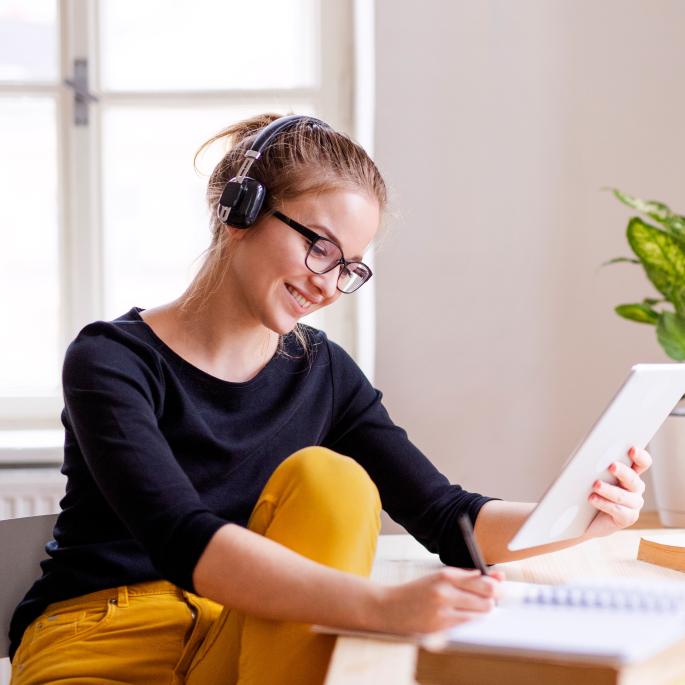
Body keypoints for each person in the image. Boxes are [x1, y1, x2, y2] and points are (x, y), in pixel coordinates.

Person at [8, 114, 651, 685]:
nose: (329, 284)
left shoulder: (323, 372)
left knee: (332, 480)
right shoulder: (111, 360)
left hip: (244, 632)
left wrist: (578, 514)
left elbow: (448, 517)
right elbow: (180, 537)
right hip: (102, 634)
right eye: (319, 246)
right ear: (242, 211)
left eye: (349, 266)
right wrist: (379, 607)